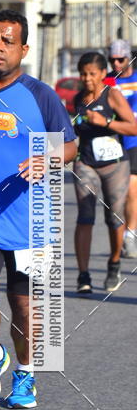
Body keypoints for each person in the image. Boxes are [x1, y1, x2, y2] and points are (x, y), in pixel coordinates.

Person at [0, 10, 76, 409]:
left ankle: (25, 372)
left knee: (24, 307)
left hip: (32, 223)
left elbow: (70, 145)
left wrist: (49, 159)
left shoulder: (41, 96)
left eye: (7, 41)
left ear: (24, 48)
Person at [72, 51, 137, 293]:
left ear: (102, 74)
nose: (87, 79)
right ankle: (83, 275)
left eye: (92, 74)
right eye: (83, 74)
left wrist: (106, 123)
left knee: (114, 217)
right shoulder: (79, 99)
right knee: (85, 215)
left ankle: (114, 264)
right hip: (86, 162)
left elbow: (133, 127)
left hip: (115, 164)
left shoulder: (113, 95)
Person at [105, 40, 137, 258]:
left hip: (134, 140)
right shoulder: (107, 80)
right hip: (114, 139)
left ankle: (130, 235)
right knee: (119, 193)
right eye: (112, 59)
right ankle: (120, 233)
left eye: (121, 59)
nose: (116, 64)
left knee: (133, 188)